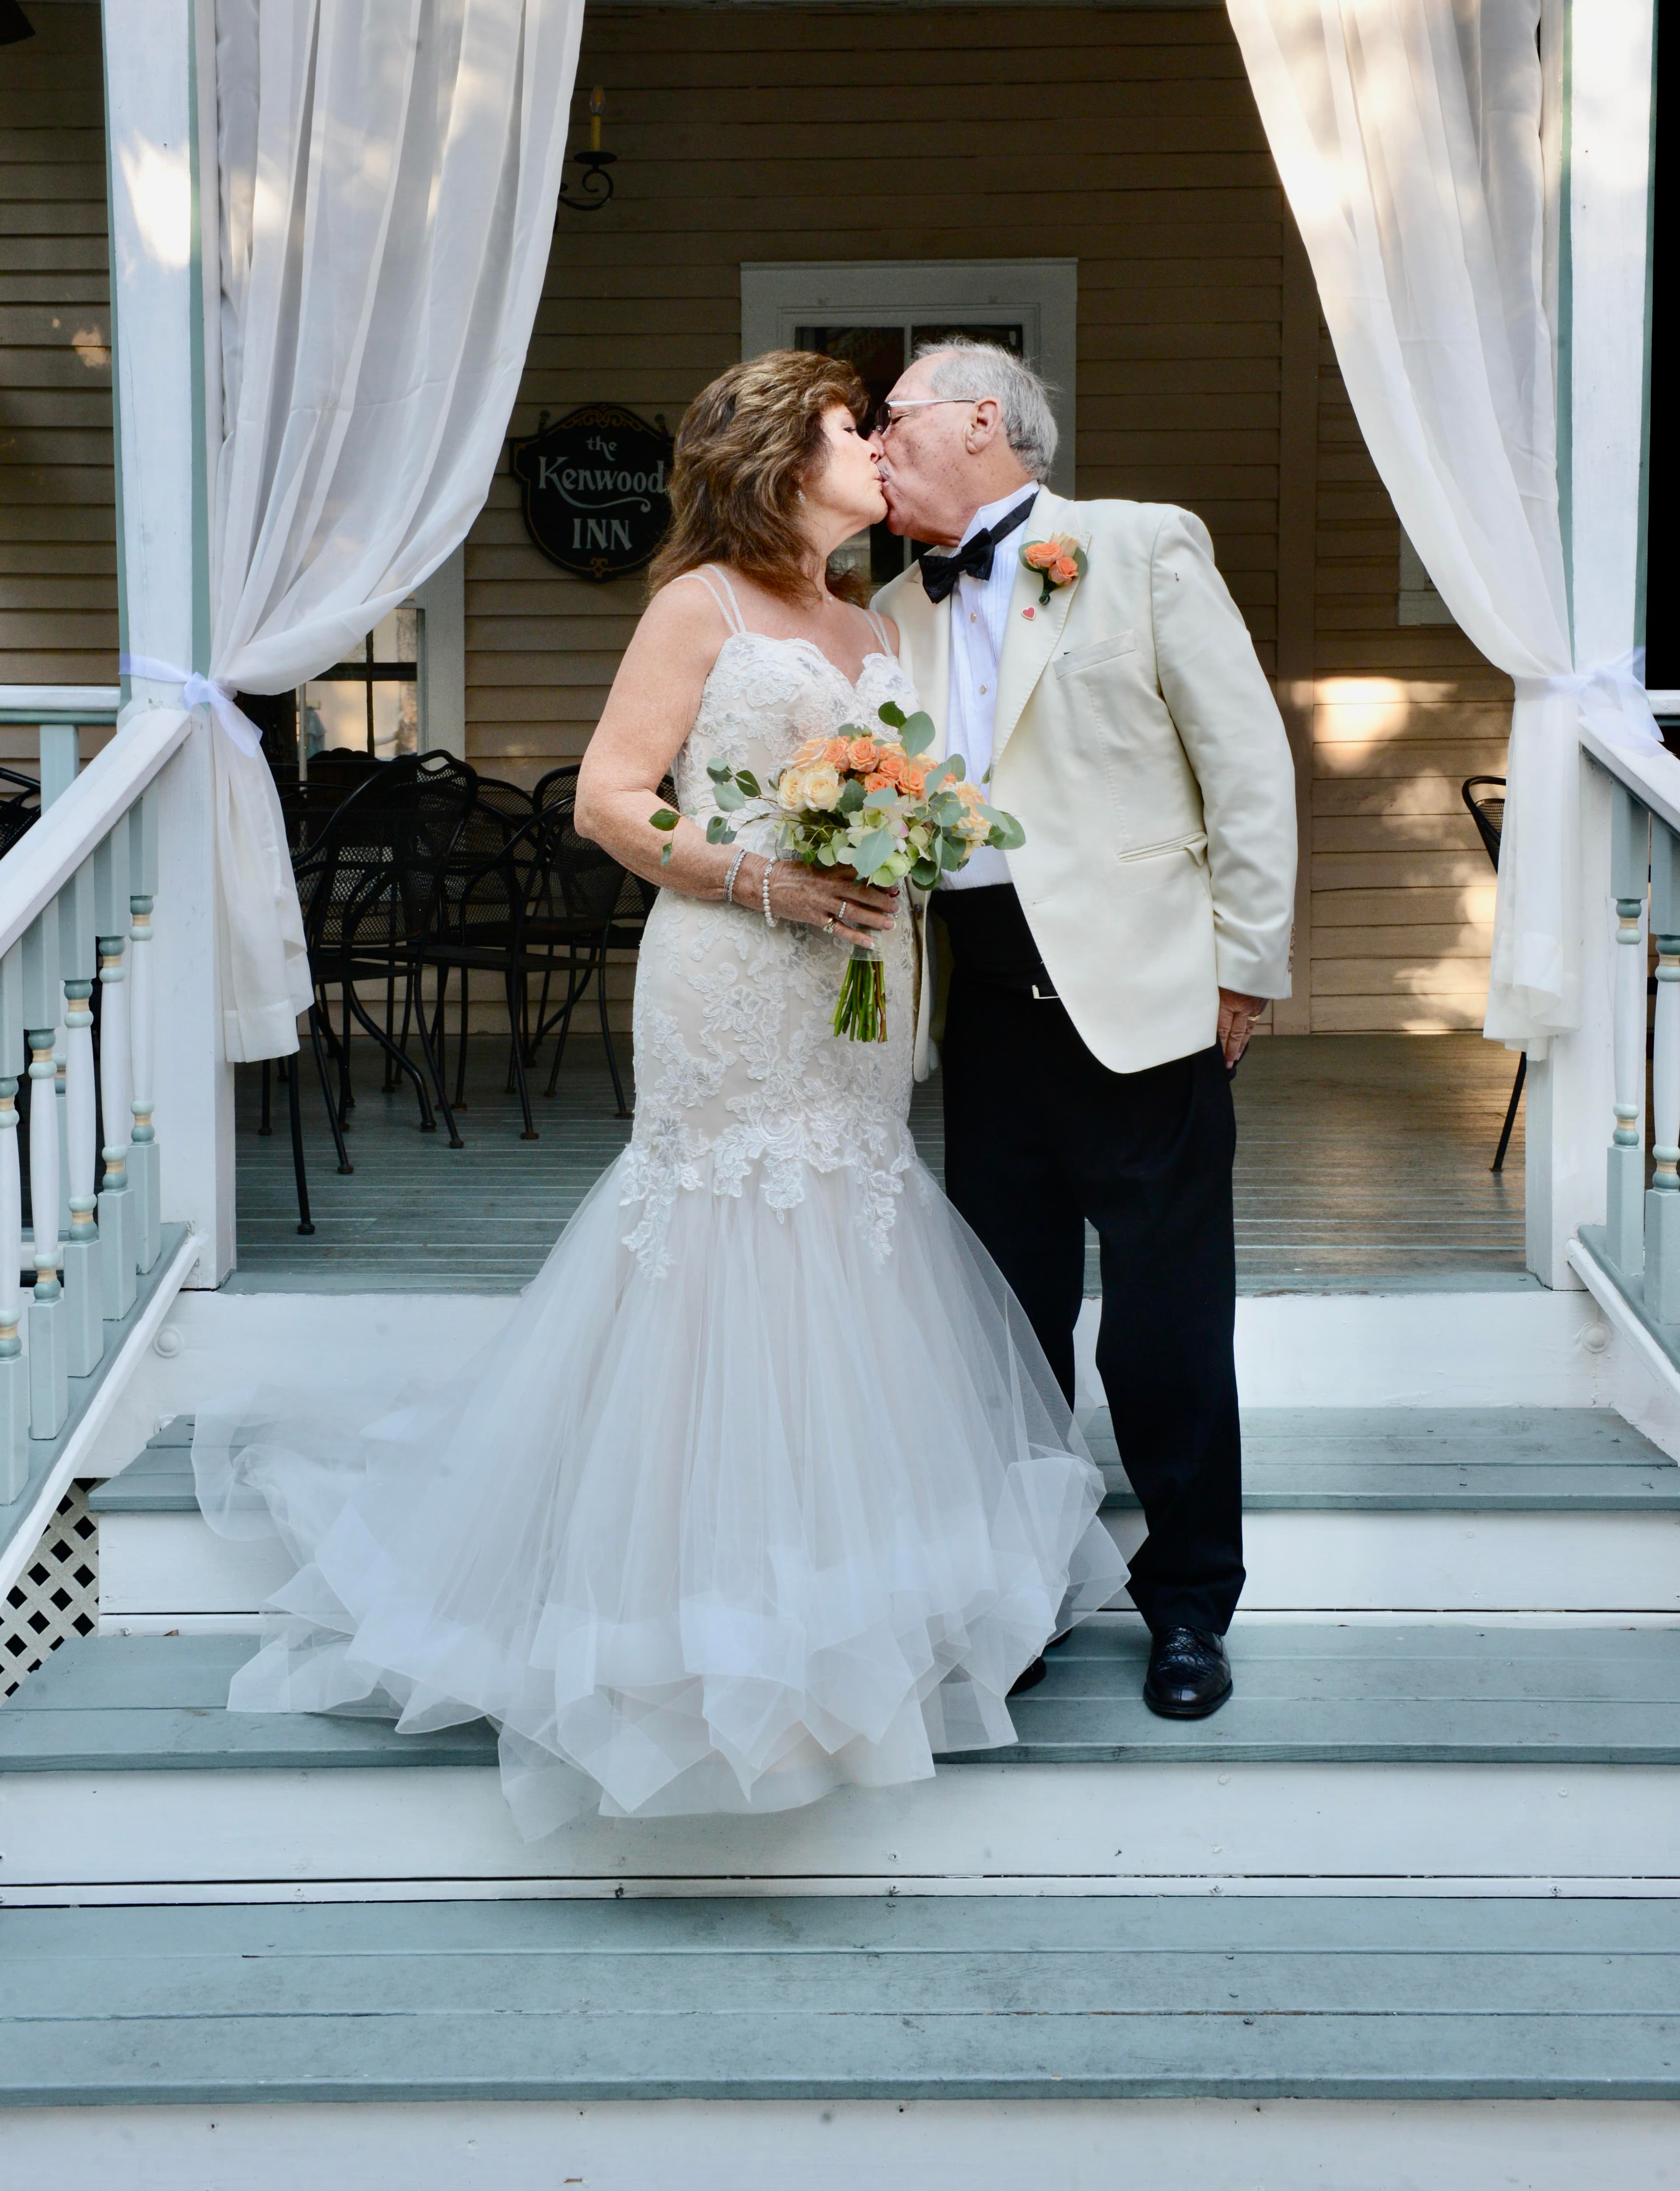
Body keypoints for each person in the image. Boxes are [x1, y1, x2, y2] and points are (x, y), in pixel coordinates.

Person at [193, 351, 1120, 1837]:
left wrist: (903, 852)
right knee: (725, 1242)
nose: (879, 448)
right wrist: (767, 875)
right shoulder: (699, 605)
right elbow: (610, 800)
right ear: (776, 456)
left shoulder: (875, 613)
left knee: (849, 1236)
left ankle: (842, 1601)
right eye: (847, 428)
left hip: (859, 997)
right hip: (733, 974)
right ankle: (692, 1623)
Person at [872, 341, 1296, 1718]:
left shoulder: (1138, 544)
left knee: (1167, 1330)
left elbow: (1245, 761)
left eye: (896, 420)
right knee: (1007, 1325)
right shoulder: (891, 608)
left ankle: (1188, 1605)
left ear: (982, 420)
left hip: (1149, 999)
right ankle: (1023, 1594)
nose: (878, 448)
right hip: (984, 1009)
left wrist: (1248, 966)